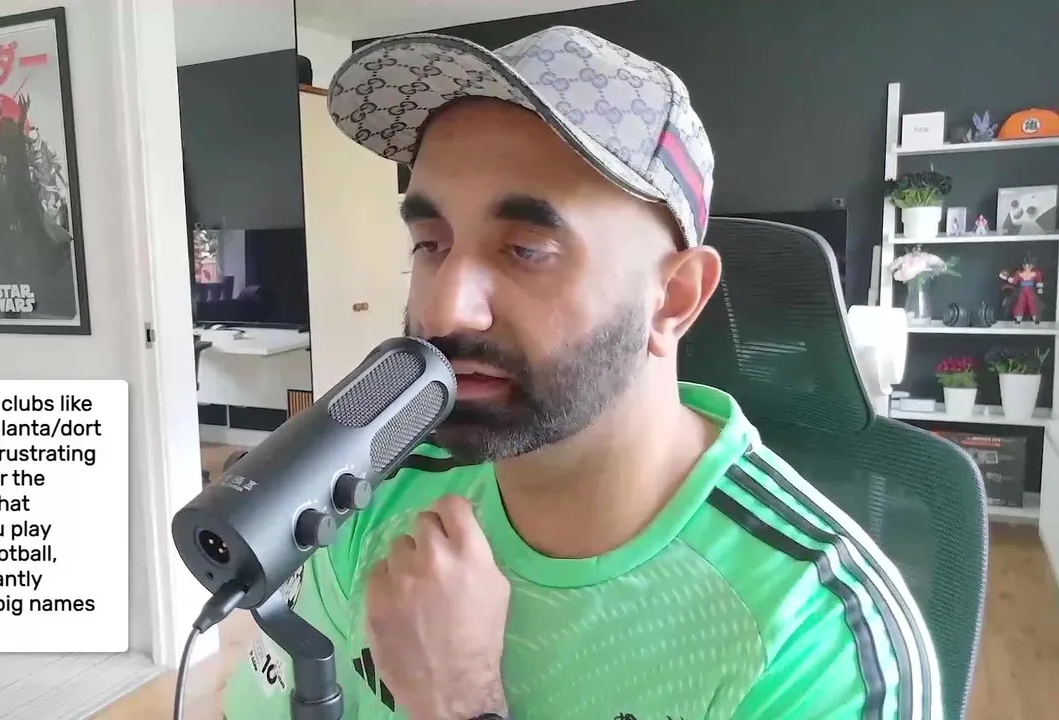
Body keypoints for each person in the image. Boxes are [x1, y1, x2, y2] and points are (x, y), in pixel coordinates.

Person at [223, 25, 941, 720]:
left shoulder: (817, 641)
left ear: (674, 298)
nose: (444, 309)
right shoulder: (377, 487)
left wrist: (462, 701)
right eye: (431, 244)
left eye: (527, 249)